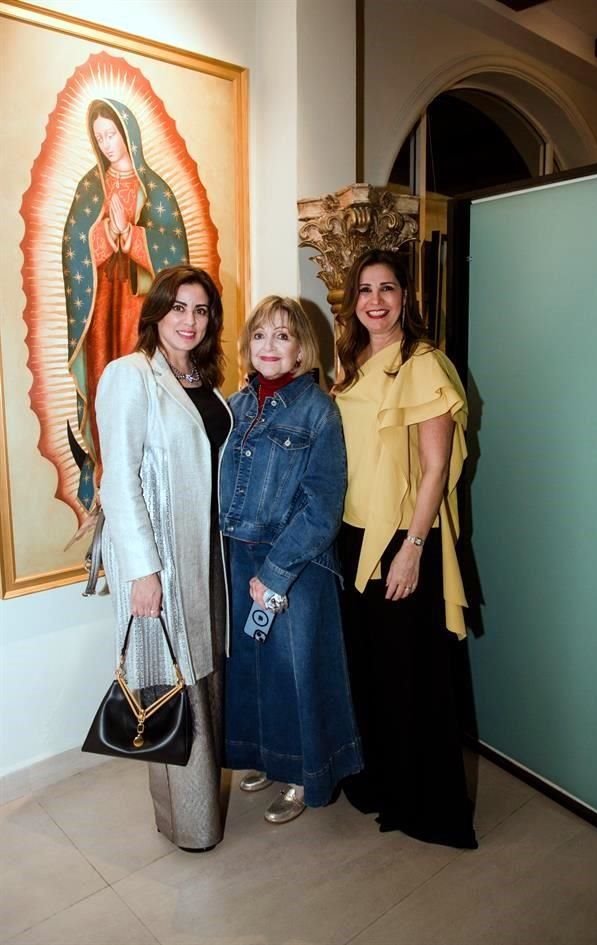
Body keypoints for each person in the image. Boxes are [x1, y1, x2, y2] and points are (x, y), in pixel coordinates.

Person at [333, 248, 477, 849]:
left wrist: (414, 548)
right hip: (352, 535)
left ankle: (423, 804)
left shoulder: (423, 364)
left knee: (409, 676)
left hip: (401, 537)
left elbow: (437, 466)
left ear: (405, 298)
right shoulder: (352, 363)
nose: (375, 301)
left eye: (387, 289)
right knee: (366, 672)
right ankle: (377, 781)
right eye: (364, 290)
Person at [95, 265, 231, 852]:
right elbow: (119, 479)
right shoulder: (130, 376)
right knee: (174, 686)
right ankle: (190, 824)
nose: (190, 320)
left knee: (207, 677)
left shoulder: (204, 380)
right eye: (179, 307)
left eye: (201, 310)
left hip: (210, 555)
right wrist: (142, 570)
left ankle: (203, 808)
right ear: (156, 312)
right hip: (166, 560)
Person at [220, 296, 362, 824]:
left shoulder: (317, 408)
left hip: (294, 563)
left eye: (282, 336)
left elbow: (324, 503)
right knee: (256, 672)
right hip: (238, 557)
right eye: (260, 335)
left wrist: (276, 573)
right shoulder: (235, 406)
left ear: (302, 347)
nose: (270, 346)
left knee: (298, 671)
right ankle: (270, 759)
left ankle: (306, 775)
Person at [65, 98, 189, 512]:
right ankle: (108, 478)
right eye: (99, 137)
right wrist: (105, 234)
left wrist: (132, 235)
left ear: (128, 134)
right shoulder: (90, 187)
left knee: (147, 388)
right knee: (107, 383)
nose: (106, 143)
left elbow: (176, 254)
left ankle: (149, 478)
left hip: (143, 311)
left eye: (111, 133)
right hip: (103, 309)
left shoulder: (156, 190)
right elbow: (72, 247)